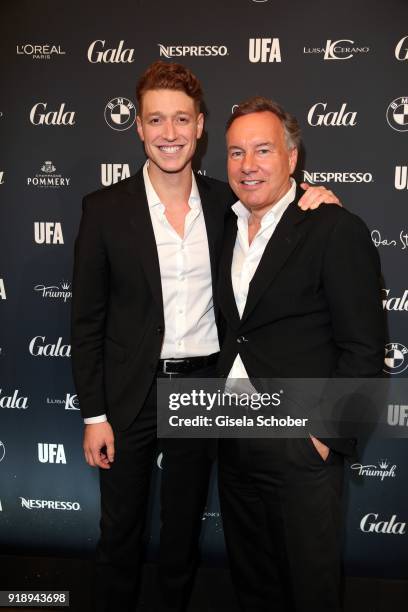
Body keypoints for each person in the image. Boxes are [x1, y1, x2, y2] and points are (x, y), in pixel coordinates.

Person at [71, 63, 340, 612]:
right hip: (129, 394)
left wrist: (320, 199)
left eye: (181, 119)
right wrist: (93, 415)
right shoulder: (103, 209)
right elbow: (86, 321)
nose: (168, 132)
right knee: (118, 535)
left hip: (202, 389)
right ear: (138, 129)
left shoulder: (227, 202)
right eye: (155, 120)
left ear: (200, 128)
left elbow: (279, 202)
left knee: (181, 539)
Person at [216, 96, 385, 612]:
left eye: (263, 150)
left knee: (310, 590)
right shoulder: (221, 227)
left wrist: (322, 438)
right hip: (232, 438)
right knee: (253, 585)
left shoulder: (334, 228)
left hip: (299, 444)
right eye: (236, 152)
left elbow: (363, 347)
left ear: (292, 158)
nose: (248, 165)